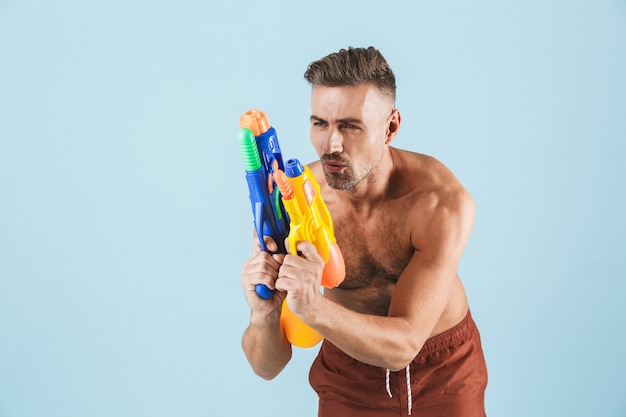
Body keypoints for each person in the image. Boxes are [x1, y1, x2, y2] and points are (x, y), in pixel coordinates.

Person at [240, 46, 488, 417]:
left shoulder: (438, 201)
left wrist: (314, 307)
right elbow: (267, 366)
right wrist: (263, 315)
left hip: (442, 368)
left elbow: (404, 345)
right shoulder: (294, 201)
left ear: (391, 127)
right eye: (320, 124)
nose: (332, 145)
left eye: (350, 126)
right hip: (348, 371)